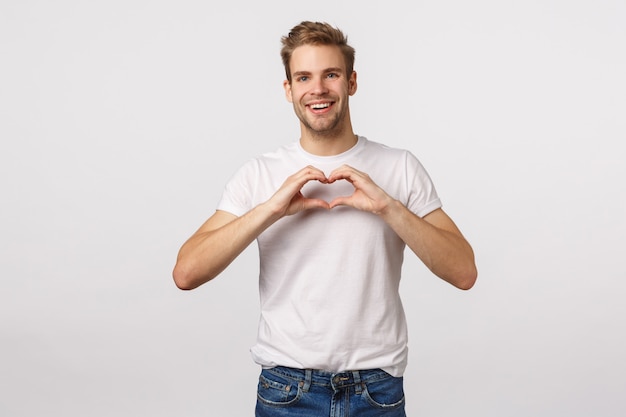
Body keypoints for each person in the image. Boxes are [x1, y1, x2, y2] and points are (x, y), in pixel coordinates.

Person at [173, 20, 477, 417]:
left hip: (377, 390)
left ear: (351, 82)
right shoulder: (259, 174)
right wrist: (270, 210)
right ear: (289, 90)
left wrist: (388, 207)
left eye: (330, 74)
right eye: (304, 77)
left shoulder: (399, 167)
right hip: (287, 390)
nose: (317, 89)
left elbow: (464, 272)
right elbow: (186, 273)